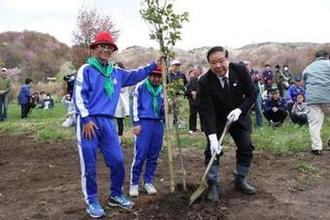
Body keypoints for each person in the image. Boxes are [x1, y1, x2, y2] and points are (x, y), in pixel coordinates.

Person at [73, 31, 159, 218]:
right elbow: (78, 95)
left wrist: (155, 64)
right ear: (95, 48)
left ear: (112, 51)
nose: (105, 49)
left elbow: (136, 75)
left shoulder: (116, 73)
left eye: (109, 47)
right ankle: (92, 200)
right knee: (89, 163)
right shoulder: (86, 69)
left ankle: (116, 194)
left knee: (118, 160)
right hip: (88, 122)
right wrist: (86, 119)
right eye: (101, 46)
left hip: (107, 122)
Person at [198, 46, 256, 202]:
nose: (218, 66)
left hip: (238, 116)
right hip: (216, 119)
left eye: (221, 61)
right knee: (212, 151)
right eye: (213, 63)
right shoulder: (205, 81)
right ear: (209, 64)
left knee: (246, 146)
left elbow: (252, 94)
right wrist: (212, 138)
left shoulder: (240, 70)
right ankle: (213, 184)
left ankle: (240, 179)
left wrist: (239, 110)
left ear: (227, 59)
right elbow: (207, 111)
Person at [129, 66, 164, 197]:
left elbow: (163, 110)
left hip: (158, 124)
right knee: (141, 153)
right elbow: (134, 105)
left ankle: (148, 181)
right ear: (149, 75)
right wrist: (136, 123)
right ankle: (134, 183)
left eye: (159, 76)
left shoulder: (163, 90)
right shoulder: (141, 87)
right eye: (154, 75)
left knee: (154, 154)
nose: (156, 79)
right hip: (144, 124)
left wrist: (168, 107)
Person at [302, 50, 330, 155]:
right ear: (327, 56)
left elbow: (304, 84)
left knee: (315, 124)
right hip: (328, 98)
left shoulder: (308, 68)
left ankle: (317, 148)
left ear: (316, 57)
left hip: (312, 99)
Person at [113, 62, 130, 143]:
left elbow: (124, 94)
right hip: (112, 103)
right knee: (110, 121)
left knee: (119, 121)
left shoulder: (124, 80)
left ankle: (119, 139)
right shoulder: (110, 77)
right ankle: (111, 137)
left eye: (118, 68)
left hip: (120, 103)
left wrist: (126, 109)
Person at [244, 61, 263, 127]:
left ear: (249, 65)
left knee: (258, 110)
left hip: (256, 94)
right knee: (246, 111)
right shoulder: (242, 73)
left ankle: (260, 125)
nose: (246, 66)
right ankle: (248, 125)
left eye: (247, 65)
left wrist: (251, 78)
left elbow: (258, 78)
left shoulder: (255, 72)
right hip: (247, 95)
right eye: (244, 65)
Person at [185, 67, 202, 134]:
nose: (194, 72)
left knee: (202, 115)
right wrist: (191, 92)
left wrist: (197, 92)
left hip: (201, 100)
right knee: (192, 114)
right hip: (193, 100)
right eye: (194, 70)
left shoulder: (204, 79)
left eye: (195, 70)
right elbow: (187, 90)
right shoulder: (192, 80)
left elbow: (204, 89)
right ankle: (192, 128)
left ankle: (204, 129)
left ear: (200, 71)